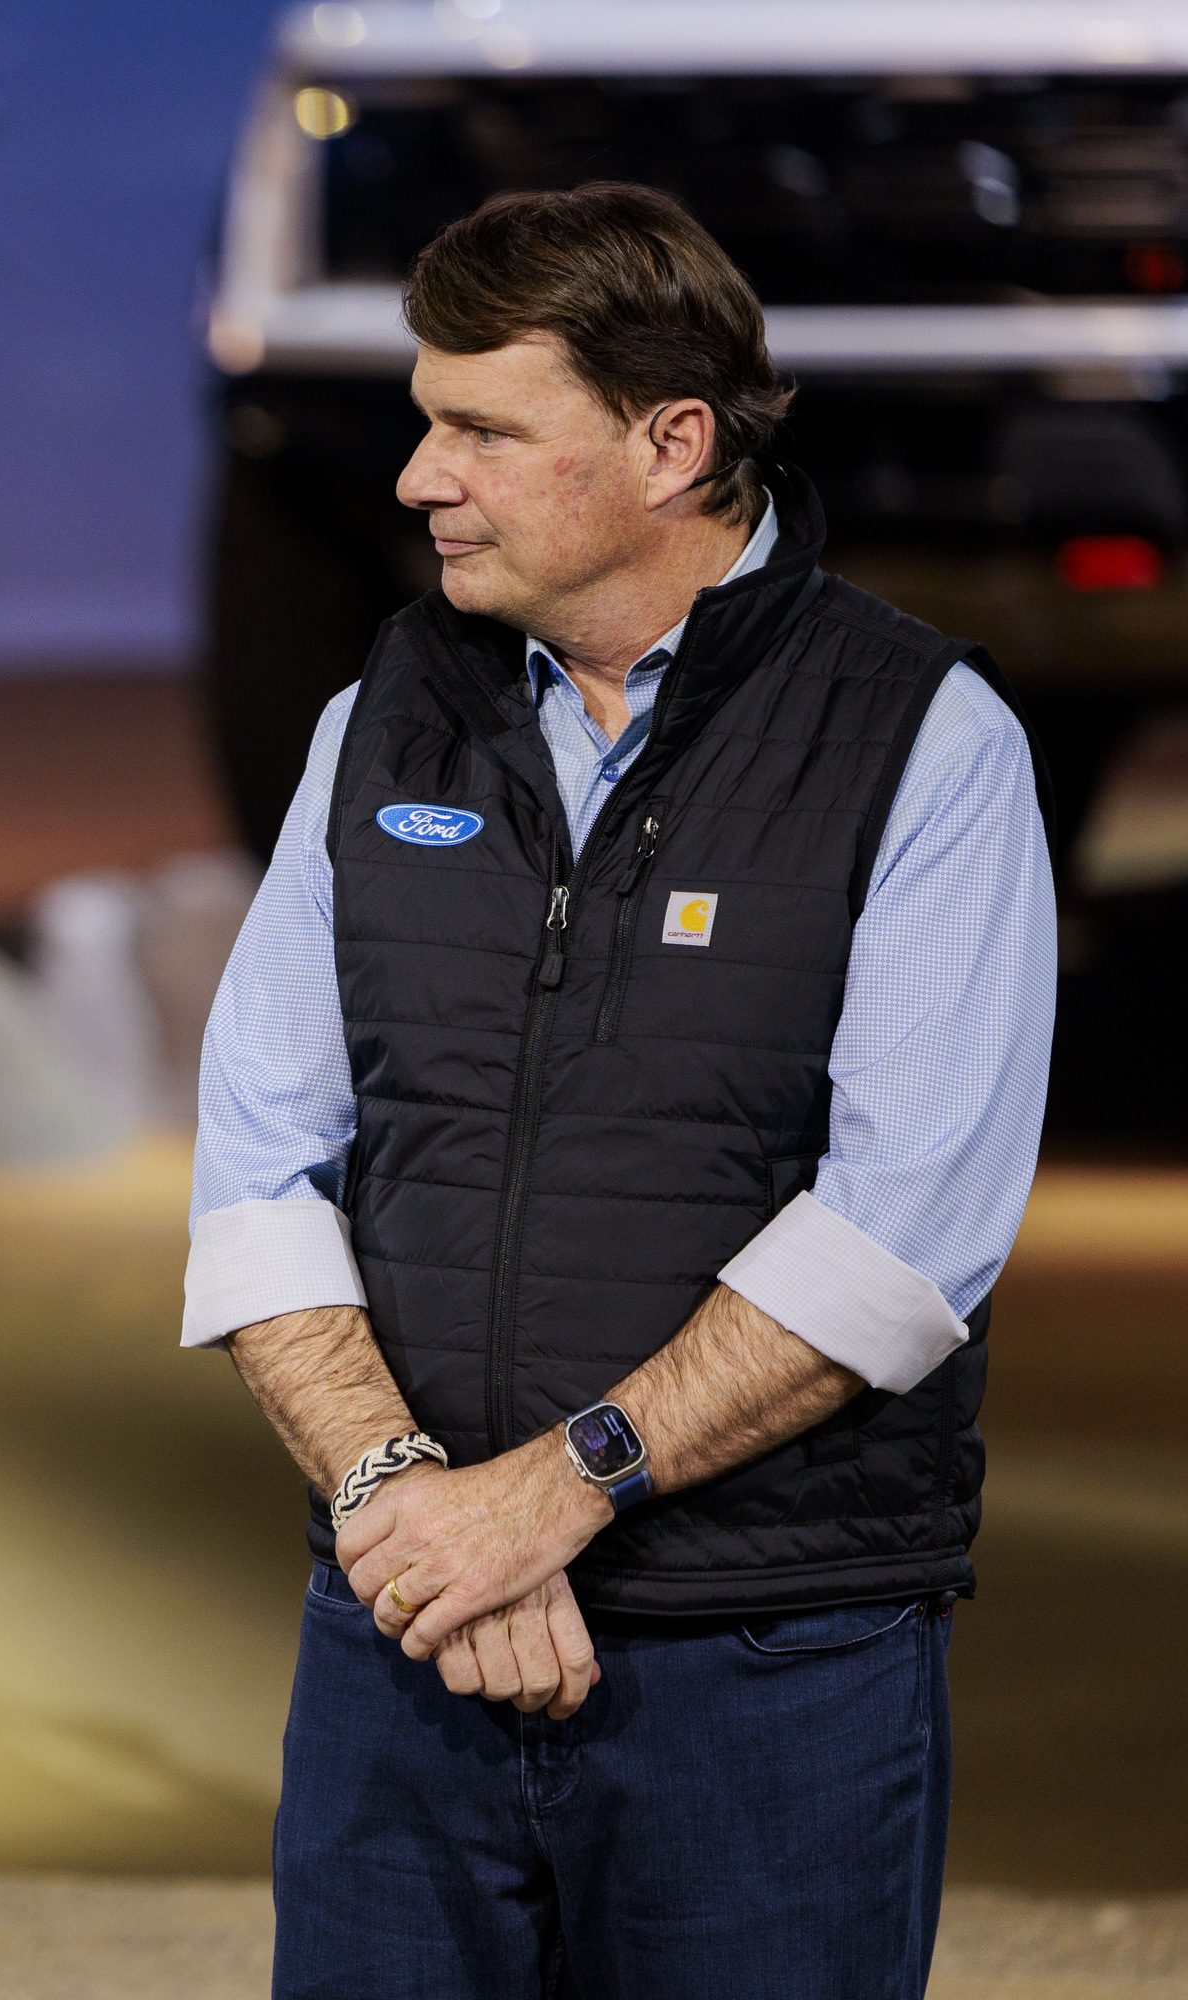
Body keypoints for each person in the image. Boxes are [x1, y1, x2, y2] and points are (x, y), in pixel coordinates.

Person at [181, 184, 1052, 1997]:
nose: (422, 477)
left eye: (483, 428)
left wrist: (550, 1498)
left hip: (770, 1678)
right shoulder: (379, 722)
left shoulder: (921, 742)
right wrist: (404, 1512)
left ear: (675, 446)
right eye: (426, 422)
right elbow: (261, 1165)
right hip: (403, 1648)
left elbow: (905, 1239)